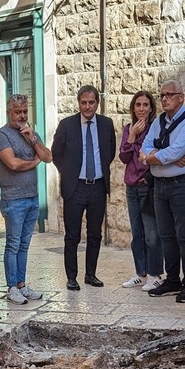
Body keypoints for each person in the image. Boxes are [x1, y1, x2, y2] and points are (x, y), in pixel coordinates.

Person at [140, 80, 185, 303]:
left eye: (169, 95)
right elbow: (145, 147)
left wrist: (155, 157)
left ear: (181, 97)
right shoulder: (159, 121)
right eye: (162, 95)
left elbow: (175, 151)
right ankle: (173, 280)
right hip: (160, 186)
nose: (165, 98)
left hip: (182, 185)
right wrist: (159, 156)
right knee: (166, 235)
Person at [51, 85, 116, 291]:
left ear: (97, 103)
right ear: (78, 103)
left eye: (91, 102)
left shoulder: (106, 124)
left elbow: (110, 152)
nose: (88, 106)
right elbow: (56, 153)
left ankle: (91, 274)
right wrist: (69, 173)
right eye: (84, 102)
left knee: (95, 234)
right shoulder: (67, 125)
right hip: (75, 187)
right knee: (72, 235)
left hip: (97, 186)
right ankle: (72, 277)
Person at [0, 94, 53, 304]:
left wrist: (33, 140)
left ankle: (22, 284)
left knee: (24, 244)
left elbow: (48, 157)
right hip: (13, 199)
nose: (22, 116)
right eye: (18, 112)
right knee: (13, 244)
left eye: (25, 111)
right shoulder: (1, 135)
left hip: (32, 197)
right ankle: (11, 288)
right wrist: (34, 162)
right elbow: (14, 164)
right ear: (9, 112)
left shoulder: (30, 133)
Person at [118, 91, 164, 291]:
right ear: (133, 108)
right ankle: (140, 273)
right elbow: (124, 158)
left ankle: (155, 274)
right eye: (138, 105)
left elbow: (156, 155)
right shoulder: (129, 129)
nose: (142, 109)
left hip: (147, 186)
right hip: (132, 187)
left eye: (146, 105)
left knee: (151, 233)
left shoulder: (156, 129)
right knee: (136, 232)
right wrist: (133, 136)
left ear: (151, 108)